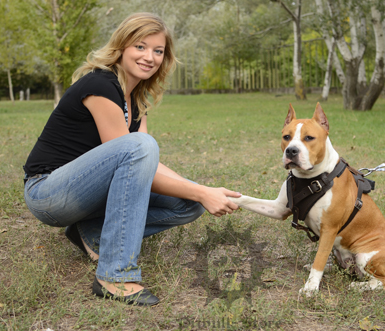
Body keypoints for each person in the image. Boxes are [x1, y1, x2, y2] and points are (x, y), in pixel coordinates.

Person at [23, 12, 240, 306]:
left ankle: (91, 233)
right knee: (143, 146)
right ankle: (114, 276)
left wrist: (202, 192)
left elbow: (144, 166)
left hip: (87, 195)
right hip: (49, 193)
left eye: (158, 51)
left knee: (189, 204)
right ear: (122, 46)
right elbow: (134, 152)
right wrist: (201, 191)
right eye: (140, 46)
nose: (149, 57)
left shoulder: (136, 98)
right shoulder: (100, 85)